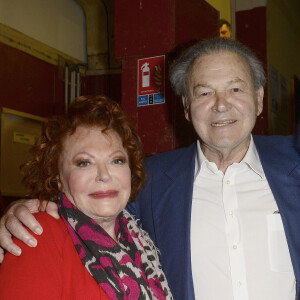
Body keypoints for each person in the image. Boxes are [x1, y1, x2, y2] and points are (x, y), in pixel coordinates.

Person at [0, 38, 300, 300]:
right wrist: (24, 211)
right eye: (204, 93)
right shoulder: (152, 181)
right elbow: (85, 206)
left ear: (259, 99)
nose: (221, 105)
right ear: (185, 106)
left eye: (235, 88)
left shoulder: (295, 165)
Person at [0, 95, 172, 299]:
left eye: (116, 160)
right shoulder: (37, 236)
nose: (104, 175)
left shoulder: (139, 239)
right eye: (84, 163)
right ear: (58, 178)